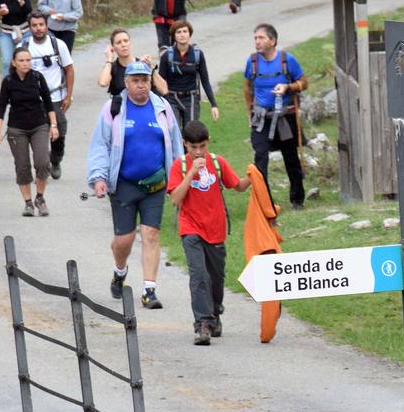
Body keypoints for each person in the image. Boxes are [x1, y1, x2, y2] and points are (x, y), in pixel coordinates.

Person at [86, 61, 182, 310]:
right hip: (124, 184)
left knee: (151, 234)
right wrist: (99, 178)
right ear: (126, 83)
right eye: (135, 81)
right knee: (124, 240)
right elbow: (100, 145)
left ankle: (149, 290)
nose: (141, 85)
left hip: (155, 184)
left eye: (145, 80)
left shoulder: (162, 108)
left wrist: (179, 178)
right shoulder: (114, 108)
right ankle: (120, 271)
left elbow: (175, 144)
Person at [167, 120, 249, 345]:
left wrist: (253, 175)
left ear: (208, 142)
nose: (198, 152)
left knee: (216, 277)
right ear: (185, 145)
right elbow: (175, 198)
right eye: (193, 147)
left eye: (202, 146)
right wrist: (192, 172)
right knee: (199, 276)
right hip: (191, 228)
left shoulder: (218, 162)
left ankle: (214, 314)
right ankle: (202, 324)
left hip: (215, 229)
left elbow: (238, 186)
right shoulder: (180, 166)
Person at [243, 23, 307, 209]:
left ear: (273, 41)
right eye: (255, 38)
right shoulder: (252, 62)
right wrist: (250, 111)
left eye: (261, 38)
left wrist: (288, 87)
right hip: (260, 118)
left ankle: (297, 200)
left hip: (284, 117)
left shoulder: (288, 60)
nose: (257, 41)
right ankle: (265, 204)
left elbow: (304, 82)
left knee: (291, 158)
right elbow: (247, 86)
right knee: (260, 158)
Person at [0, 47, 59, 217]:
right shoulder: (8, 82)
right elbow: (1, 108)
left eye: (28, 60)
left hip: (39, 126)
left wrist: (53, 125)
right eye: (21, 60)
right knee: (22, 166)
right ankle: (28, 203)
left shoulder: (37, 78)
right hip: (17, 129)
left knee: (42, 162)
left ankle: (40, 197)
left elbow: (48, 103)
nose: (25, 63)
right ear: (13, 63)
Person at [20, 12, 75, 181]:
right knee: (37, 133)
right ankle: (41, 166)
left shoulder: (58, 45)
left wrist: (68, 95)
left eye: (41, 25)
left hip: (55, 96)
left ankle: (55, 160)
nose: (38, 29)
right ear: (30, 27)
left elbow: (69, 69)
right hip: (33, 100)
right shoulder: (24, 47)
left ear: (47, 26)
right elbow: (18, 73)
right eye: (34, 25)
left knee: (60, 132)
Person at [158, 19, 218, 131]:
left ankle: (188, 149)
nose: (182, 35)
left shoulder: (197, 55)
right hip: (171, 98)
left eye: (185, 31)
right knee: (173, 131)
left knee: (190, 132)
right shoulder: (167, 56)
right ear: (174, 36)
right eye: (179, 32)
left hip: (191, 98)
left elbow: (205, 81)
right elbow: (160, 81)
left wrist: (213, 105)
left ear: (189, 34)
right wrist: (158, 104)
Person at [98, 28, 166, 97]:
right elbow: (103, 83)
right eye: (119, 42)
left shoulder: (143, 64)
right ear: (113, 47)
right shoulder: (112, 67)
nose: (123, 45)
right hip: (122, 106)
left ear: (130, 43)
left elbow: (164, 90)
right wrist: (109, 59)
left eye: (126, 41)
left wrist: (151, 67)